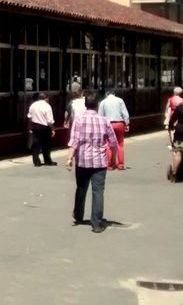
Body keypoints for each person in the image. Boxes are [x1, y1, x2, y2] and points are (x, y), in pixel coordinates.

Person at [66, 94, 118, 233]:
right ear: (97, 105)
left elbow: (74, 141)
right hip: (100, 162)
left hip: (82, 161)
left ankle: (78, 214)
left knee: (81, 188)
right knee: (98, 192)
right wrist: (113, 159)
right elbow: (113, 142)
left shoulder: (78, 121)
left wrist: (69, 158)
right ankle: (96, 223)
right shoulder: (104, 121)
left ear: (85, 105)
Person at [97, 90, 129, 170]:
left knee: (108, 144)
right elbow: (125, 113)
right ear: (114, 94)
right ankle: (120, 164)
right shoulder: (120, 100)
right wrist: (127, 124)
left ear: (106, 95)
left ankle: (110, 164)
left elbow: (100, 115)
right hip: (119, 124)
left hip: (108, 124)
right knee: (120, 144)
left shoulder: (103, 102)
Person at [27, 92, 57, 167]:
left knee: (36, 144)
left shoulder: (33, 105)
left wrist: (30, 127)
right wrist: (53, 129)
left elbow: (30, 117)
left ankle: (36, 162)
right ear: (46, 98)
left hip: (35, 126)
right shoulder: (47, 106)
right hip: (45, 127)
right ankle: (47, 160)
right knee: (46, 144)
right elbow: (50, 120)